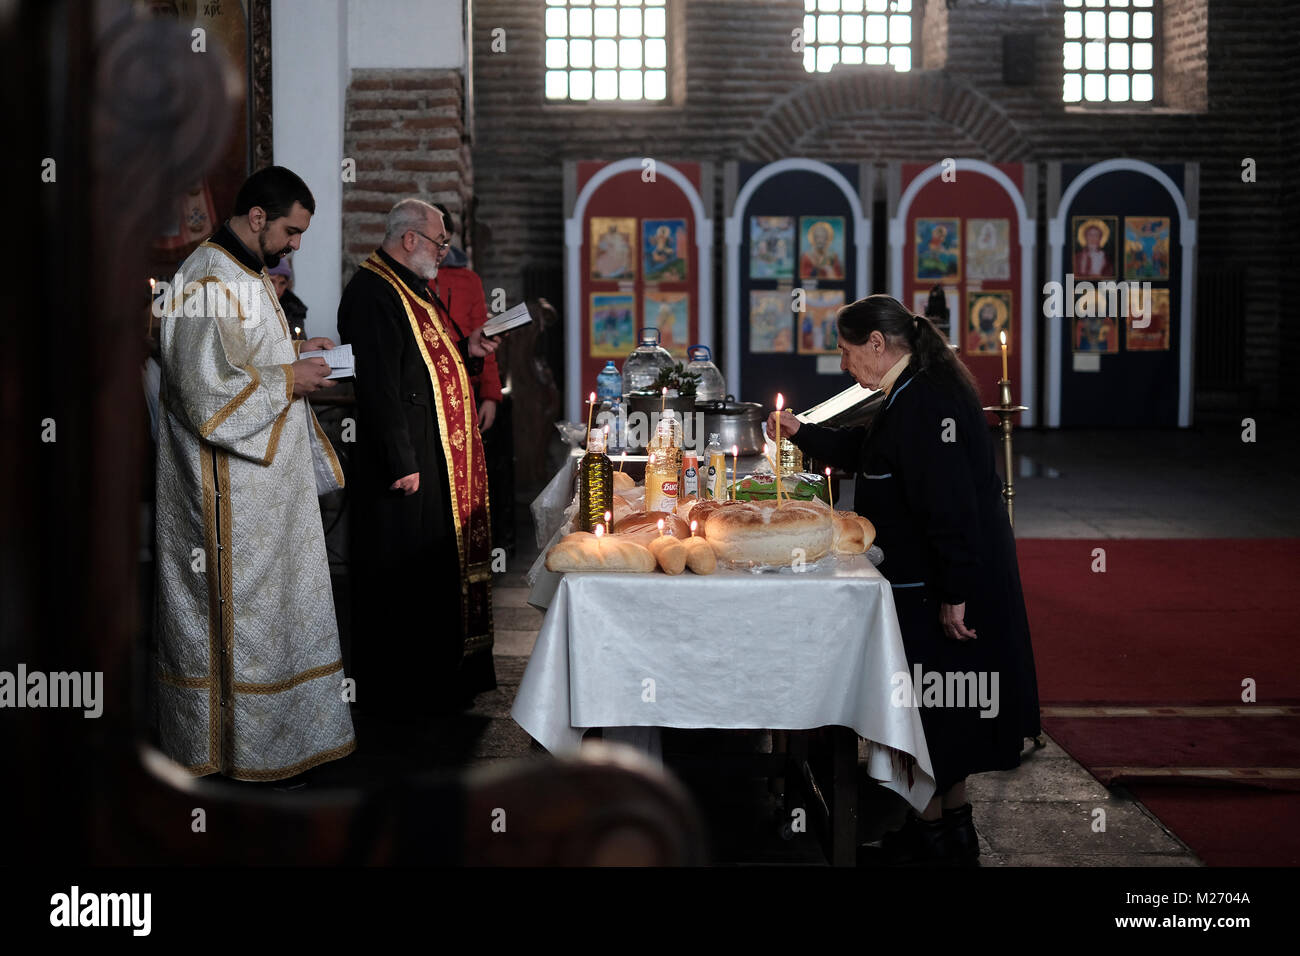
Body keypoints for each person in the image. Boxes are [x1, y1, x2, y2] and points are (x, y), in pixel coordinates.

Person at [767, 294, 1040, 865]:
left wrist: (955, 594)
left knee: (935, 717)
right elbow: (868, 450)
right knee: (946, 722)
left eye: (845, 352)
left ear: (875, 343)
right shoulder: (911, 390)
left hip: (942, 582)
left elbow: (950, 507)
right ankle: (944, 833)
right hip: (939, 576)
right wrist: (800, 431)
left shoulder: (924, 401)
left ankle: (938, 845)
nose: (843, 365)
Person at [153, 165, 355, 781]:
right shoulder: (204, 278)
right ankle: (234, 751)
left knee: (286, 614)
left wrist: (297, 356)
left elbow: (244, 361)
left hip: (269, 494)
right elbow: (201, 394)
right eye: (292, 231)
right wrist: (290, 378)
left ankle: (285, 741)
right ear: (259, 216)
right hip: (228, 498)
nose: (297, 245)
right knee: (241, 619)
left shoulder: (247, 272)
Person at [338, 198, 500, 725]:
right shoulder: (372, 291)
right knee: (401, 578)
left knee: (433, 572)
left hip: (435, 457)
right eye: (439, 242)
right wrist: (399, 460)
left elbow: (436, 365)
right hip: (405, 463)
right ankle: (400, 698)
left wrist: (471, 350)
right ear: (410, 239)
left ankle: (438, 683)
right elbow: (380, 386)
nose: (443, 252)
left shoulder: (413, 288)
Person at [266, 255, 308, 340]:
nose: (277, 290)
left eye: (282, 283)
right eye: (271, 282)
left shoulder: (294, 309)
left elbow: (300, 340)